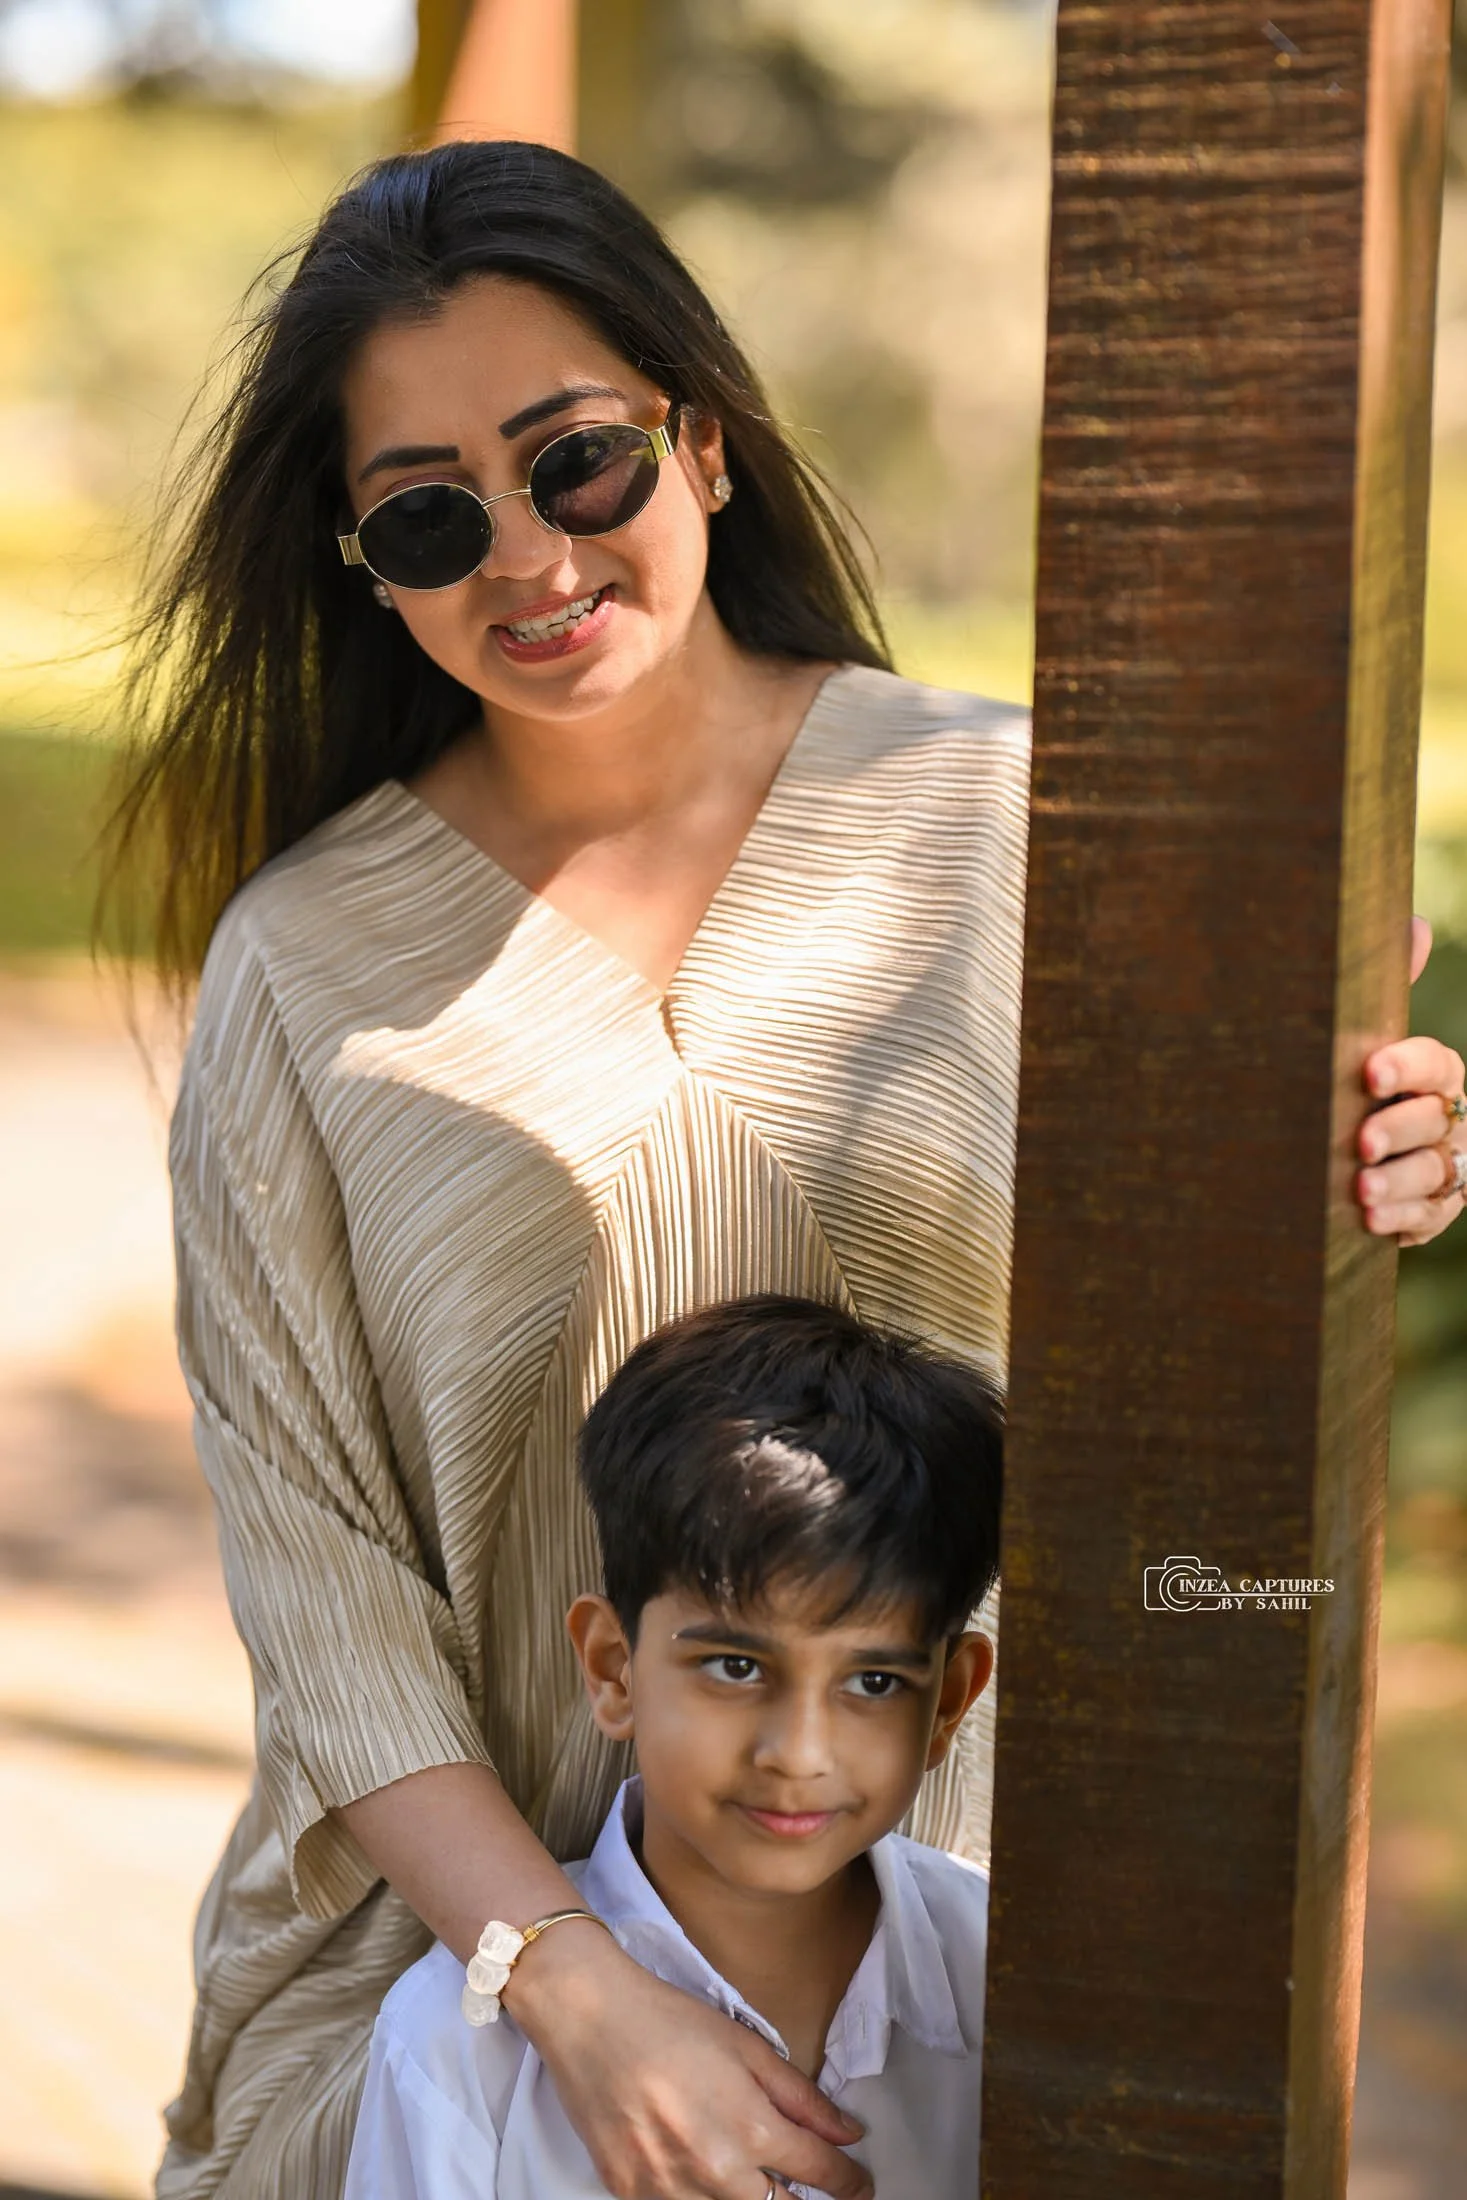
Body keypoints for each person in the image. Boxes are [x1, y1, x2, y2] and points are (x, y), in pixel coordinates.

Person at [102, 140, 1466, 2200]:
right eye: (430, 513)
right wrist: (569, 1983)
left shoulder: (1020, 825)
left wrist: (1371, 1156)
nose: (531, 557)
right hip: (470, 2005)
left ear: (701, 444)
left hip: (982, 1979)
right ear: (362, 559)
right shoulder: (304, 971)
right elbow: (326, 1592)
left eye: (578, 462)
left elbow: (1213, 1345)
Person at [343, 1295, 1004, 2200]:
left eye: (873, 1683)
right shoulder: (460, 2047)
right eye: (735, 1667)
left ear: (949, 1703)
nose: (797, 1753)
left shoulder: (1006, 1982)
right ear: (614, 1668)